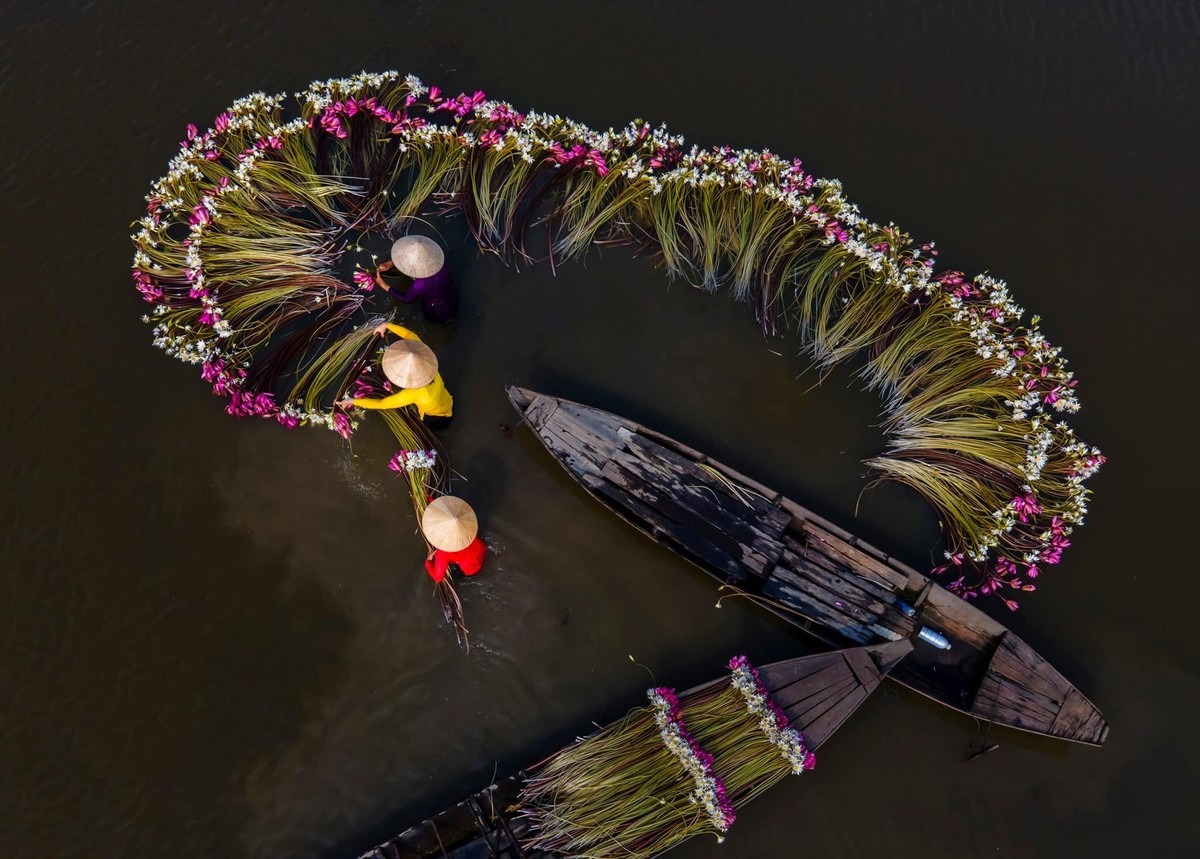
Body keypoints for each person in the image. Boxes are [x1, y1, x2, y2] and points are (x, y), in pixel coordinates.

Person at [335, 323, 454, 428]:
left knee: (436, 425)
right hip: (446, 398)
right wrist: (387, 325)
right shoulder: (427, 360)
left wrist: (353, 401)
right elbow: (411, 336)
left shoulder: (413, 393)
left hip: (435, 415)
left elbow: (382, 404)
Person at [374, 235, 459, 323]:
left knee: (438, 320)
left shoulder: (420, 284)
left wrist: (384, 285)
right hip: (451, 293)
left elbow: (407, 299)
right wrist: (391, 263)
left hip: (437, 308)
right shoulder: (439, 263)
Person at [422, 496, 487, 583]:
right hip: (481, 549)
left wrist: (428, 562)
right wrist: (430, 499)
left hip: (470, 569)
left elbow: (438, 578)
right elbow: (445, 511)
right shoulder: (463, 523)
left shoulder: (444, 551)